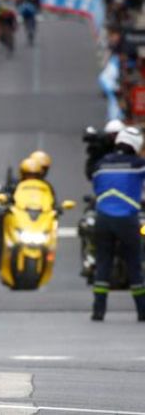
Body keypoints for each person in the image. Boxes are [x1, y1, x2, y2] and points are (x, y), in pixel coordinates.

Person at [90, 126, 145, 322]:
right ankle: (142, 311)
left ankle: (98, 310)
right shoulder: (138, 165)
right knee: (134, 265)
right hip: (127, 220)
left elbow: (96, 187)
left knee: (103, 264)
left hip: (103, 219)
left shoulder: (100, 165)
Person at [0, 157, 45, 268]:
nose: (31, 178)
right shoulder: (14, 185)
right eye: (28, 175)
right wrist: (5, 200)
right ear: (22, 174)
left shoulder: (44, 188)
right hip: (19, 219)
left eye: (34, 175)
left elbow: (52, 201)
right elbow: (2, 194)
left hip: (38, 220)